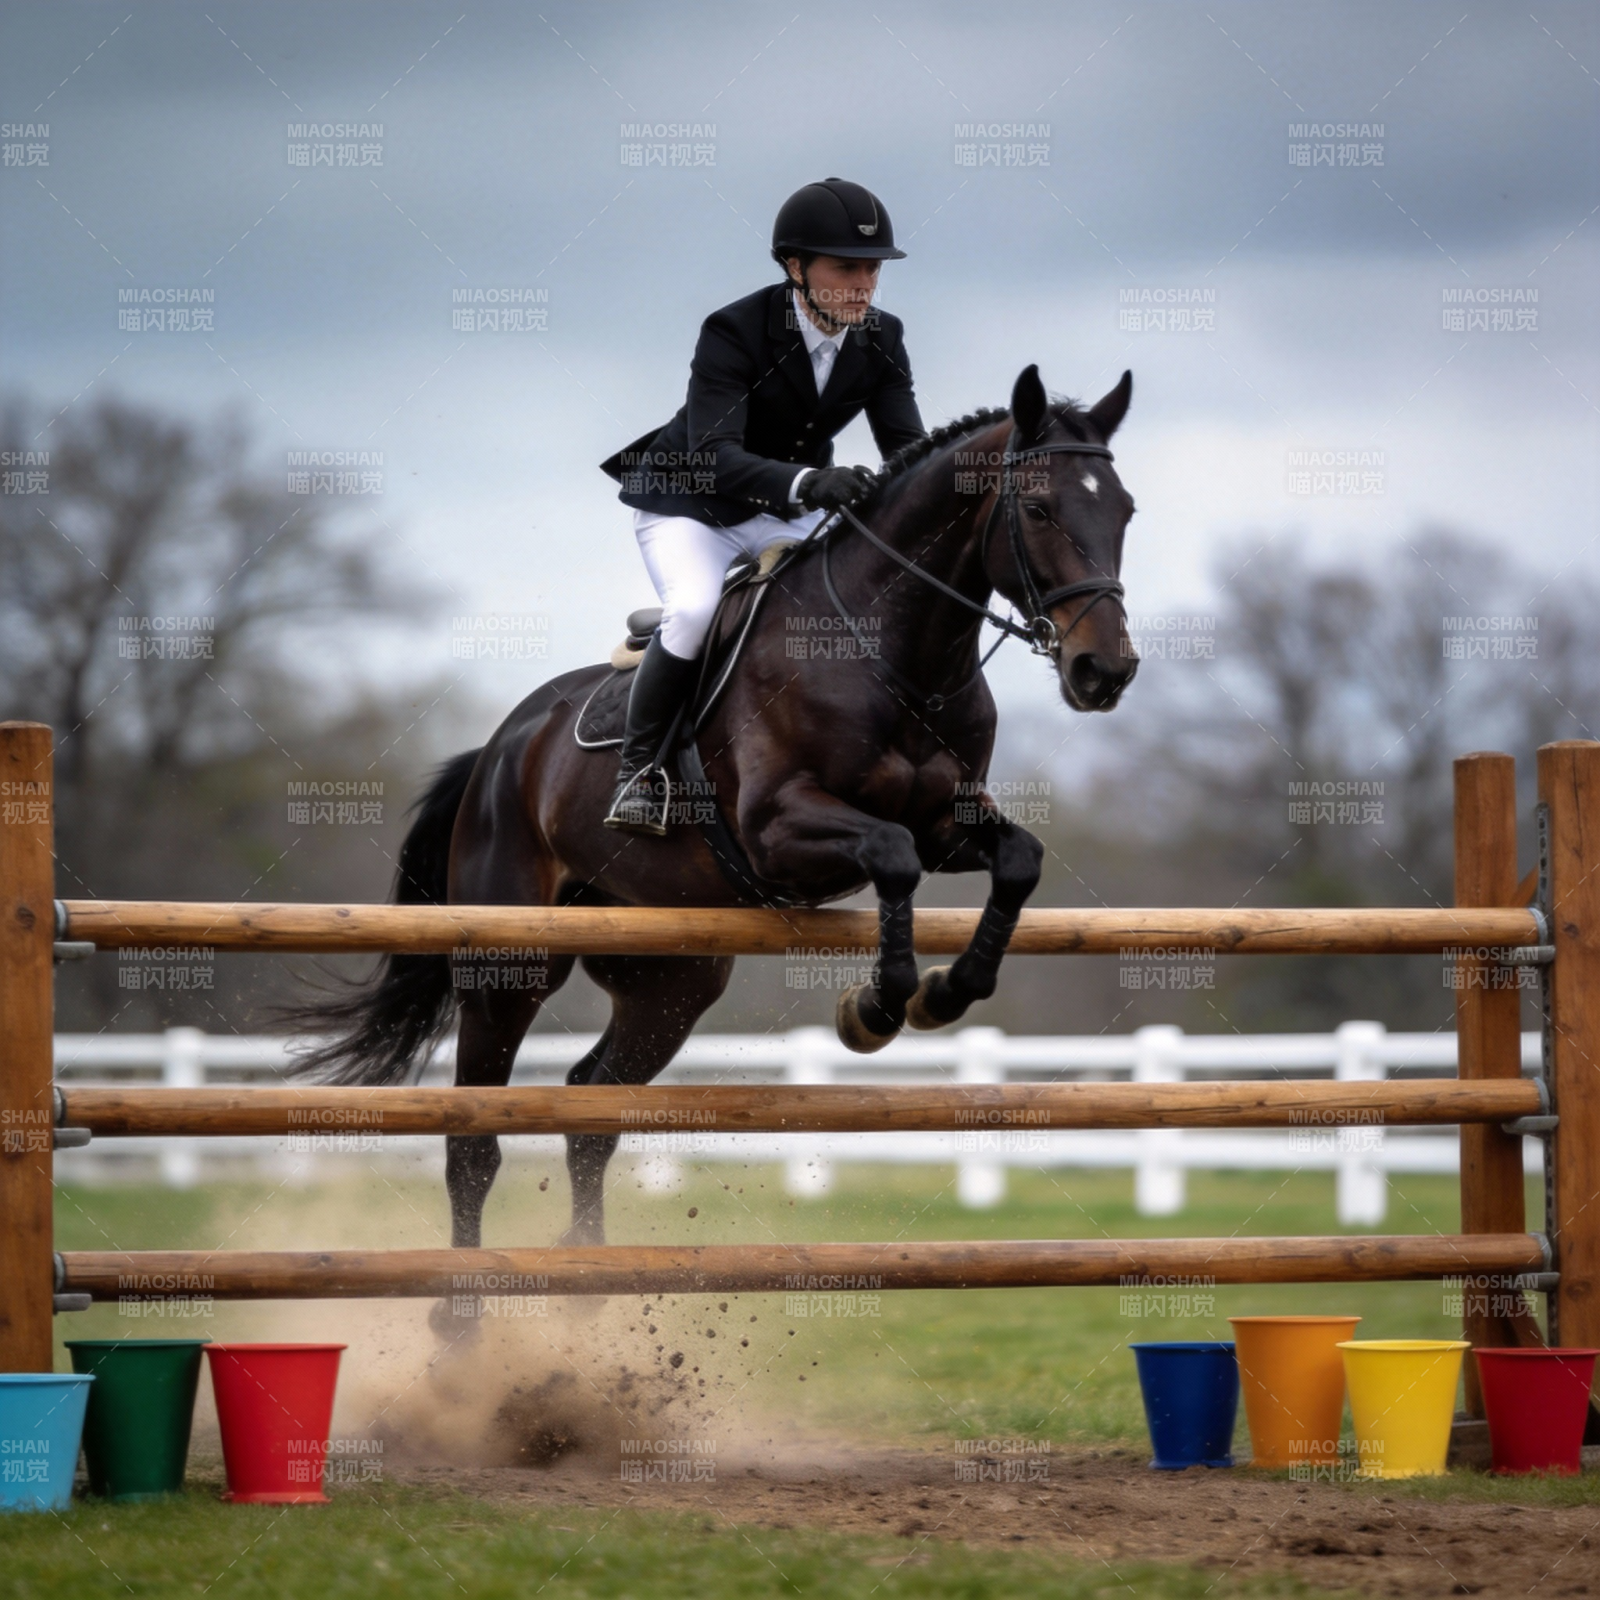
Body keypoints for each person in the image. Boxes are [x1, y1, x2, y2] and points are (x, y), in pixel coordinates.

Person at [598, 177, 927, 834]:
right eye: (847, 267)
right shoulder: (735, 330)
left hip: (787, 513)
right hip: (694, 506)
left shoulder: (881, 338)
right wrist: (811, 483)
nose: (863, 284)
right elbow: (714, 455)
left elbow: (908, 451)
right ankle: (640, 773)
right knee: (692, 611)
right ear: (795, 266)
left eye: (871, 269)